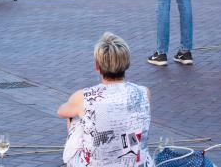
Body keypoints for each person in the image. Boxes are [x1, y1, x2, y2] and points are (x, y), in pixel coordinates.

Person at [58, 32, 153, 167]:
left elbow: (61, 112)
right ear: (127, 63)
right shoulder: (144, 92)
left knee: (74, 117)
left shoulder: (83, 97)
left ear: (97, 66)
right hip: (139, 163)